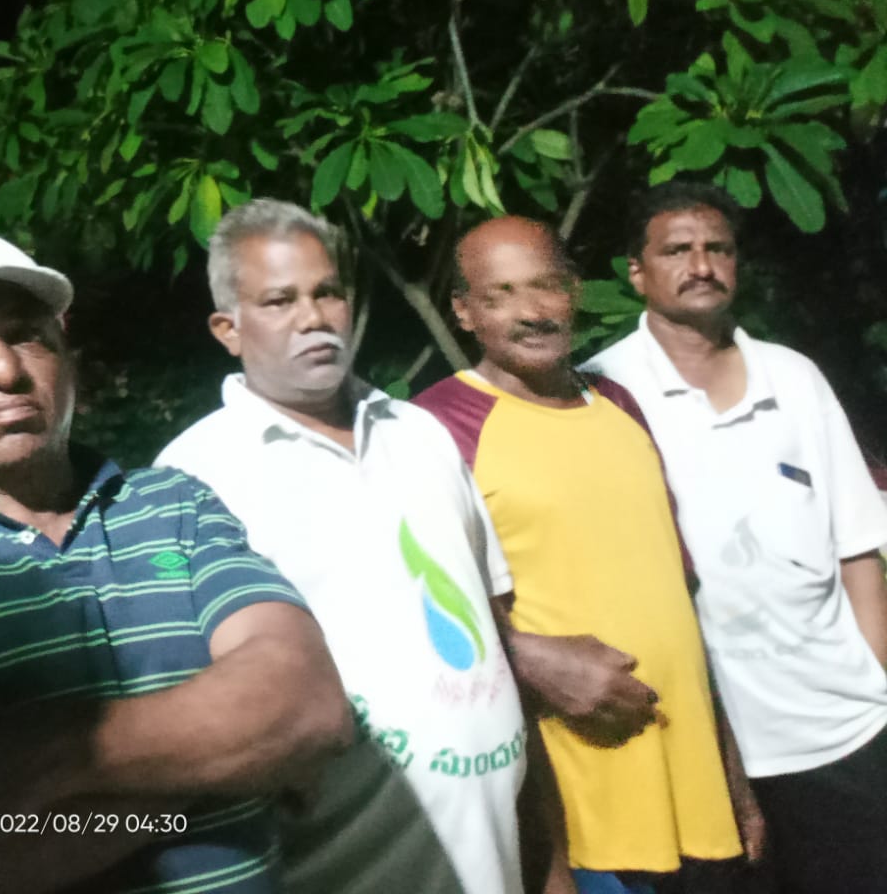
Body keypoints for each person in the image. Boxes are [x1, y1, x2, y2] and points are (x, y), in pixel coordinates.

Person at [0, 229, 352, 893]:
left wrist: (33, 763)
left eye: (27, 336)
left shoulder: (175, 503)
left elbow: (309, 704)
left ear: (70, 369)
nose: (4, 371)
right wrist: (240, 766)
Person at [156, 200, 525, 894]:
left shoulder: (420, 433)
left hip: (501, 858)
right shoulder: (193, 479)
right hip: (340, 866)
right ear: (228, 329)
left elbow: (493, 623)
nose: (314, 317)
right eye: (280, 300)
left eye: (327, 292)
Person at [413, 217, 752, 894]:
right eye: (502, 294)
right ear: (464, 311)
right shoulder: (435, 426)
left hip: (693, 785)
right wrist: (529, 660)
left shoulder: (617, 404)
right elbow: (420, 612)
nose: (532, 311)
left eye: (547, 286)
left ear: (574, 291)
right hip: (576, 805)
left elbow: (678, 601)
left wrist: (734, 780)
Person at [584, 181, 887, 894]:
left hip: (841, 729)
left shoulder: (794, 377)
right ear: (637, 271)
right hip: (696, 741)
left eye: (717, 248)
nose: (701, 265)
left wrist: (880, 682)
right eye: (677, 250)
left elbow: (858, 550)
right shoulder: (602, 392)